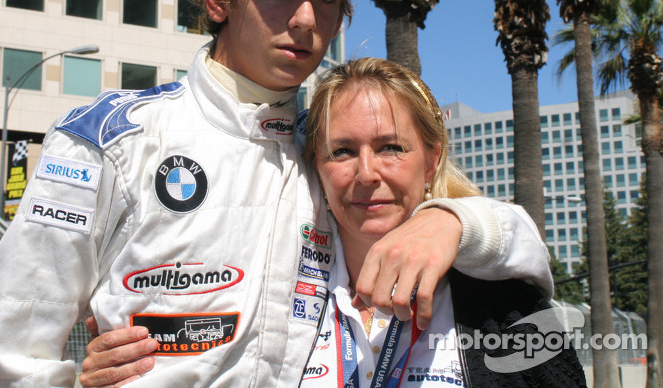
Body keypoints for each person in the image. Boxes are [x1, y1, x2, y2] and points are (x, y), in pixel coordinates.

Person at [0, 0, 550, 387]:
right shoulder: (113, 135)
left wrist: (447, 220)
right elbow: (10, 344)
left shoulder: (329, 138)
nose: (304, 19)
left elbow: (518, 240)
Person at [80, 59, 581, 387]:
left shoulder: (500, 305)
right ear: (316, 164)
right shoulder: (269, 291)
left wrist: (451, 220)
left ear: (431, 159)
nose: (367, 174)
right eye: (342, 151)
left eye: (391, 148)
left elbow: (522, 240)